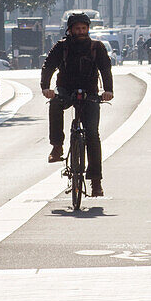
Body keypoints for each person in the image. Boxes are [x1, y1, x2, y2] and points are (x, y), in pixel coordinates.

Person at [41, 13, 114, 197]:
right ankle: (57, 146)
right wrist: (46, 88)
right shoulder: (62, 47)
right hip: (65, 89)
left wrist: (108, 90)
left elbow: (105, 69)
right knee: (55, 104)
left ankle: (96, 181)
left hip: (89, 92)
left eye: (84, 28)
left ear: (88, 29)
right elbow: (48, 66)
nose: (81, 32)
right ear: (70, 30)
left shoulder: (96, 47)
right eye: (77, 29)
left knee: (92, 135)